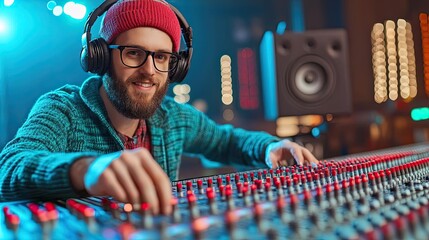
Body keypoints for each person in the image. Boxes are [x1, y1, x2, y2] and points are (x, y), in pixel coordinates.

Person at [0, 0, 318, 215]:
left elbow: (226, 140)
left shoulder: (173, 117)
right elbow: (9, 167)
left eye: (162, 57)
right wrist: (86, 170)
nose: (150, 70)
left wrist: (269, 148)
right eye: (134, 53)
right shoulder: (63, 109)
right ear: (100, 57)